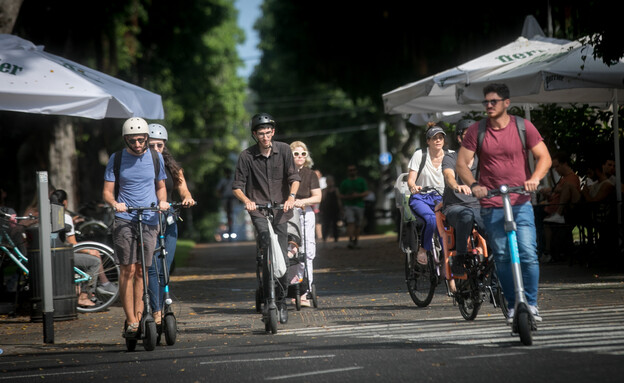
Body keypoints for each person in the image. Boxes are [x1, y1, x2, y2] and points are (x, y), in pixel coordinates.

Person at [457, 83, 552, 324]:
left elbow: (544, 157)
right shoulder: (477, 131)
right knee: (501, 255)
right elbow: (462, 165)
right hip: (491, 203)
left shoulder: (523, 127)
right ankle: (512, 306)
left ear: (506, 103)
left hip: (520, 201)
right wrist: (474, 184)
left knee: (528, 253)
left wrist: (534, 178)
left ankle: (530, 303)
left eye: (494, 101)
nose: (489, 105)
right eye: (486, 102)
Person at [102, 117, 169, 337]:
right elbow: (107, 192)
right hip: (124, 219)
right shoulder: (117, 159)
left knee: (142, 270)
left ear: (147, 138)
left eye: (142, 139)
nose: (138, 144)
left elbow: (161, 187)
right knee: (127, 269)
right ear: (126, 140)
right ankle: (130, 320)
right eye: (133, 141)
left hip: (149, 218)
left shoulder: (155, 156)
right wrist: (115, 204)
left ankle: (141, 317)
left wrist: (162, 201)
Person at [232, 113, 300, 324]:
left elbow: (294, 178)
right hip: (259, 210)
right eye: (261, 133)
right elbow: (237, 187)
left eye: (268, 132)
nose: (265, 136)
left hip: (281, 209)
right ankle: (267, 295)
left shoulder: (285, 150)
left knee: (282, 255)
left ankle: (280, 301)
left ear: (273, 132)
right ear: (254, 134)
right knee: (266, 246)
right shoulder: (246, 156)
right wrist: (247, 201)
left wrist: (291, 197)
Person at [145, 123, 196, 330]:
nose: (156, 149)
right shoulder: (141, 167)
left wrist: (188, 199)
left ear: (164, 145)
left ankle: (161, 305)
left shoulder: (173, 168)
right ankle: (155, 310)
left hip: (168, 220)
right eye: (151, 145)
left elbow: (184, 190)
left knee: (164, 268)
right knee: (153, 267)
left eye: (159, 145)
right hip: (148, 220)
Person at [49, 189, 117, 308]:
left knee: (92, 254)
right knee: (95, 259)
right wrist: (89, 250)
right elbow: (73, 244)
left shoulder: (44, 215)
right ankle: (85, 295)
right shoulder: (64, 217)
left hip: (49, 254)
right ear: (65, 202)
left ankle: (97, 290)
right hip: (62, 256)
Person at [441, 119, 485, 276]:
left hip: (479, 207)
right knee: (466, 215)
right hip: (455, 207)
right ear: (459, 138)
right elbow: (448, 176)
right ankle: (460, 257)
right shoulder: (451, 158)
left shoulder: (483, 158)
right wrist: (456, 186)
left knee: (495, 224)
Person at [406, 123, 450, 264]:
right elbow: (411, 180)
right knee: (431, 219)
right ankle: (423, 249)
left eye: (440, 137)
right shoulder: (420, 155)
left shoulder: (451, 156)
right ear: (428, 141)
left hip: (442, 198)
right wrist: (414, 187)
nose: (437, 140)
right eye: (434, 138)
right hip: (421, 198)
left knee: (450, 226)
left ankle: (448, 261)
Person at [289, 141, 321, 307]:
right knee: (293, 251)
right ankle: (293, 288)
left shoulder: (310, 174)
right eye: (296, 154)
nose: (300, 157)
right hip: (288, 214)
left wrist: (302, 201)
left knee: (308, 251)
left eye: (303, 154)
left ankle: (305, 290)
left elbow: (317, 197)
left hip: (305, 212)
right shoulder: (283, 174)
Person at [541, 152, 581, 225]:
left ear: (565, 164)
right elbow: (556, 196)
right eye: (554, 167)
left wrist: (551, 189)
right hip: (551, 210)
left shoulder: (572, 178)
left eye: (557, 166)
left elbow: (569, 192)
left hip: (562, 212)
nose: (555, 170)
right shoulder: (562, 179)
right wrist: (547, 195)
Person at [339, 164, 369, 249]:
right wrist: (348, 197)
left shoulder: (361, 181)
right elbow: (340, 195)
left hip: (359, 205)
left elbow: (366, 192)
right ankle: (351, 239)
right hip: (349, 205)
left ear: (356, 171)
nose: (352, 171)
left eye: (353, 170)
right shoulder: (345, 183)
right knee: (350, 222)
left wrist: (358, 195)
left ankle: (356, 239)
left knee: (358, 224)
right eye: (350, 170)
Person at [320, 175, 342, 244]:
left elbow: (339, 200)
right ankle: (325, 237)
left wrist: (341, 208)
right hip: (326, 210)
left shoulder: (336, 190)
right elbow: (322, 199)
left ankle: (336, 237)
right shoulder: (324, 190)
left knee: (335, 224)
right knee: (326, 224)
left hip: (335, 209)